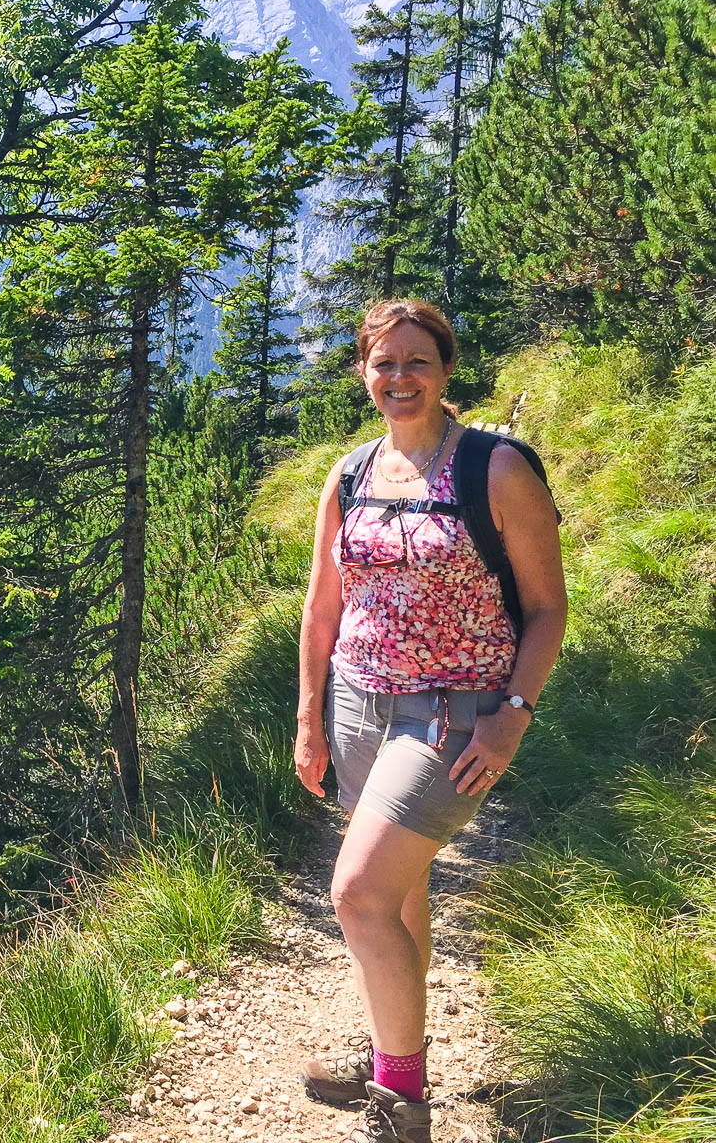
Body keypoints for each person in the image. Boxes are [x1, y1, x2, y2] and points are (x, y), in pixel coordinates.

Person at [292, 300, 567, 1143]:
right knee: (401, 892)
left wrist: (511, 718)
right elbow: (321, 607)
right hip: (357, 705)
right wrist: (309, 715)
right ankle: (393, 1053)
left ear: (446, 370)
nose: (400, 379)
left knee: (358, 894)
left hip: (453, 718)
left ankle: (403, 1105)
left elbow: (548, 607)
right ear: (362, 373)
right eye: (384, 363)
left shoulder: (495, 470)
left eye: (418, 362)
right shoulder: (351, 473)